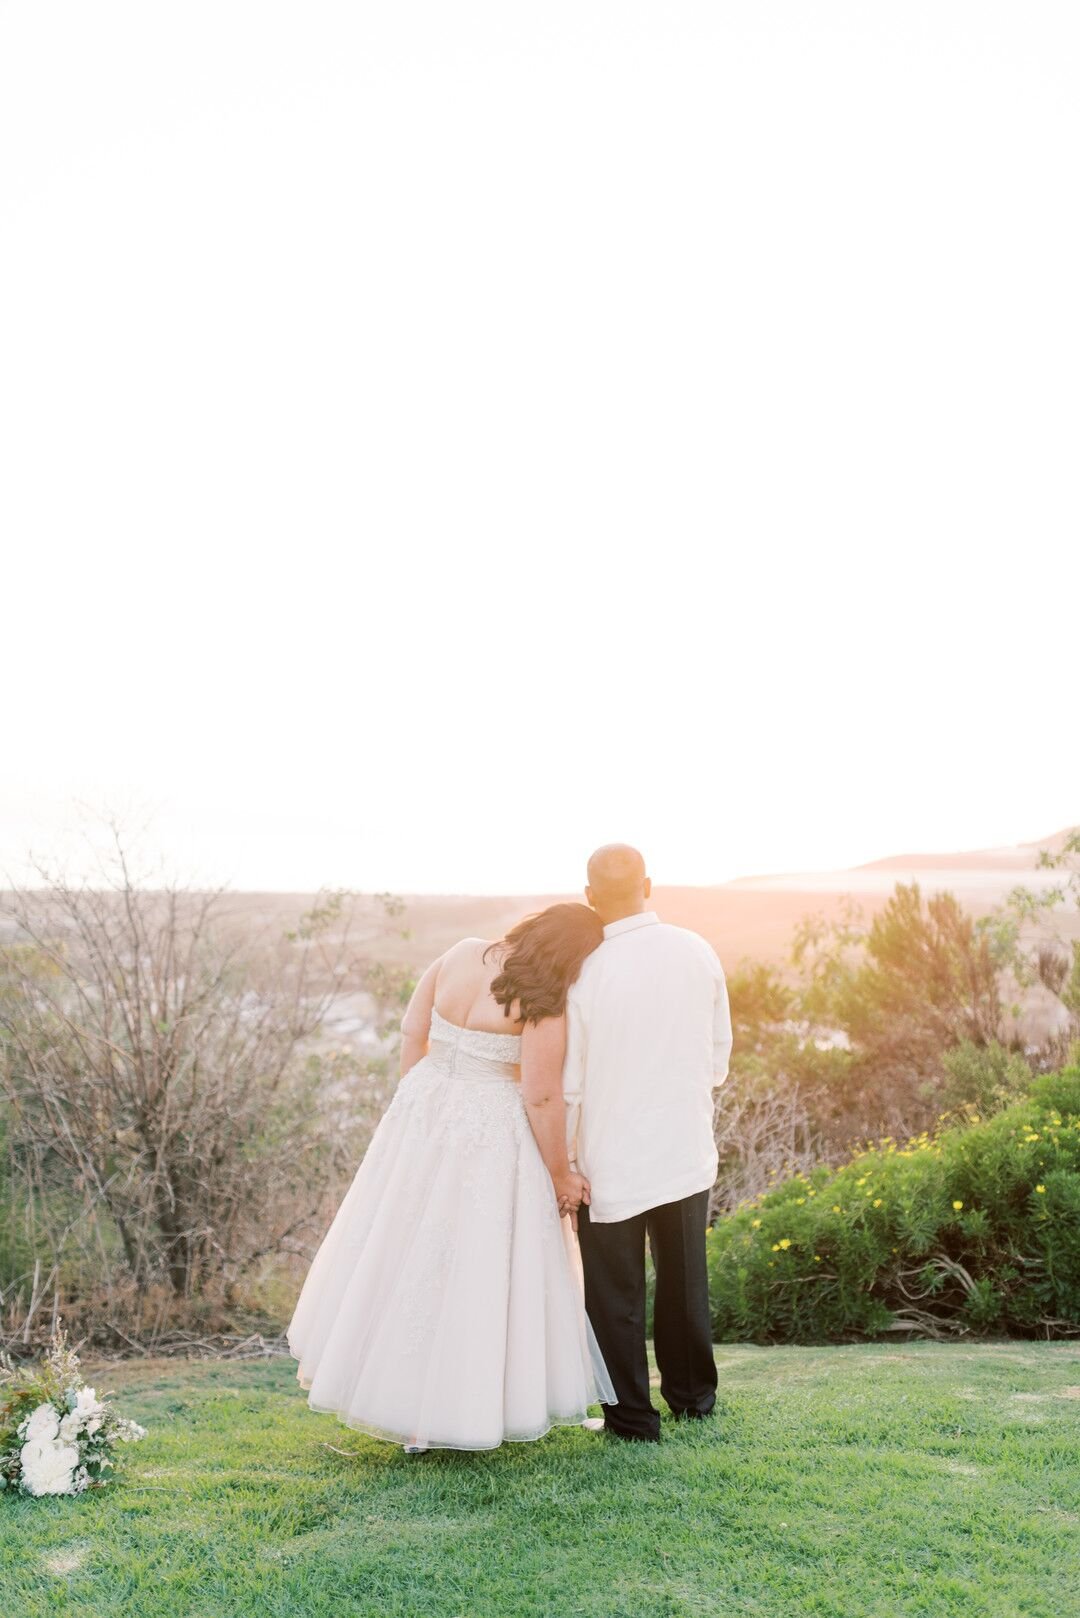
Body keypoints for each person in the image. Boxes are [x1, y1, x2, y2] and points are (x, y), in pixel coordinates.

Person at [287, 904, 614, 1451]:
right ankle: (457, 1406)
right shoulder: (543, 1000)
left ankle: (408, 1410)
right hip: (489, 1132)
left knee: (403, 1251)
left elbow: (413, 1031)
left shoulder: (460, 953)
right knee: (472, 1262)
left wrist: (419, 1103)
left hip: (423, 1110)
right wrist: (562, 1173)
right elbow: (538, 1093)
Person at [565, 845, 732, 1440]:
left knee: (615, 1293)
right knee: (686, 1280)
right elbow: (718, 1059)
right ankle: (694, 1399)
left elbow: (571, 1083)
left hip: (610, 1156)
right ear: (649, 886)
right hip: (685, 1148)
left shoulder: (585, 973)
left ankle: (633, 1418)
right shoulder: (698, 950)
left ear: (590, 895)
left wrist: (565, 1159)